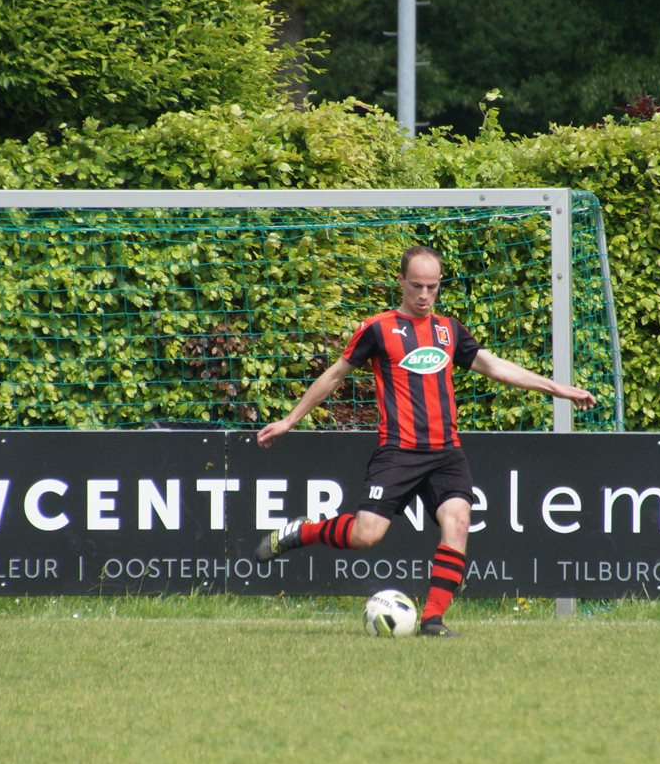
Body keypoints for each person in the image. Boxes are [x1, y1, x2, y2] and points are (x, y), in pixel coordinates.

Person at [253, 245, 597, 637]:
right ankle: (303, 532)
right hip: (398, 451)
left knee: (458, 521)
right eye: (416, 285)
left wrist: (558, 389)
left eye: (432, 287)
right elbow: (334, 375)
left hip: (445, 453)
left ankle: (433, 619)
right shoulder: (378, 329)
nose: (424, 295)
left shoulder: (449, 330)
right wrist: (290, 420)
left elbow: (495, 367)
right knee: (366, 535)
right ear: (401, 281)